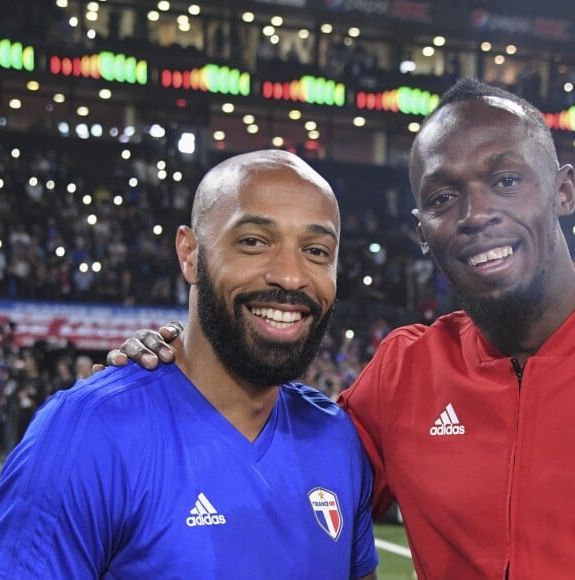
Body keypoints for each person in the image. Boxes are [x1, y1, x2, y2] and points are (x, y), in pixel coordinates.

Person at [113, 79, 575, 579]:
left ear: (563, 191)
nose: (477, 214)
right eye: (444, 197)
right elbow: (287, 471)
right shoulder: (407, 373)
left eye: (506, 180)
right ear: (422, 232)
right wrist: (162, 383)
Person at [0, 150, 378, 579]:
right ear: (190, 254)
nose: (291, 276)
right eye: (253, 241)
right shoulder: (87, 433)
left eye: (316, 250)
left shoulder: (337, 438)